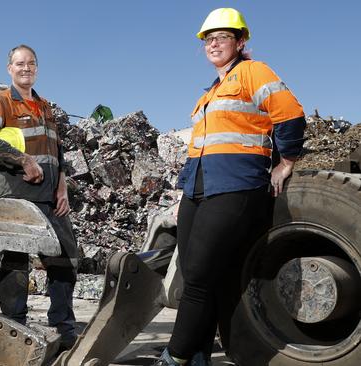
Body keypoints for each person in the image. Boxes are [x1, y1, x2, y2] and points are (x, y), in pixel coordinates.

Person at [155, 8, 306, 366]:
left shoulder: (254, 72)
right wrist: (183, 194)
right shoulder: (210, 92)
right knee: (199, 278)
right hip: (198, 189)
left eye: (223, 37)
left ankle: (172, 358)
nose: (214, 44)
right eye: (209, 39)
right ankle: (197, 359)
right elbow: (200, 147)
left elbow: (291, 114)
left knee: (200, 278)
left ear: (240, 41)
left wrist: (286, 163)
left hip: (236, 186)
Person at [0, 44, 78, 350]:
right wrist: (23, 161)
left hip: (49, 196)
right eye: (20, 64)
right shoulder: (2, 101)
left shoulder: (45, 107)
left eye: (31, 63)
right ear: (10, 69)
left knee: (65, 256)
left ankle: (62, 324)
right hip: (16, 195)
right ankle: (16, 325)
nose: (26, 68)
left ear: (37, 68)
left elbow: (55, 152)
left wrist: (62, 187)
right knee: (17, 259)